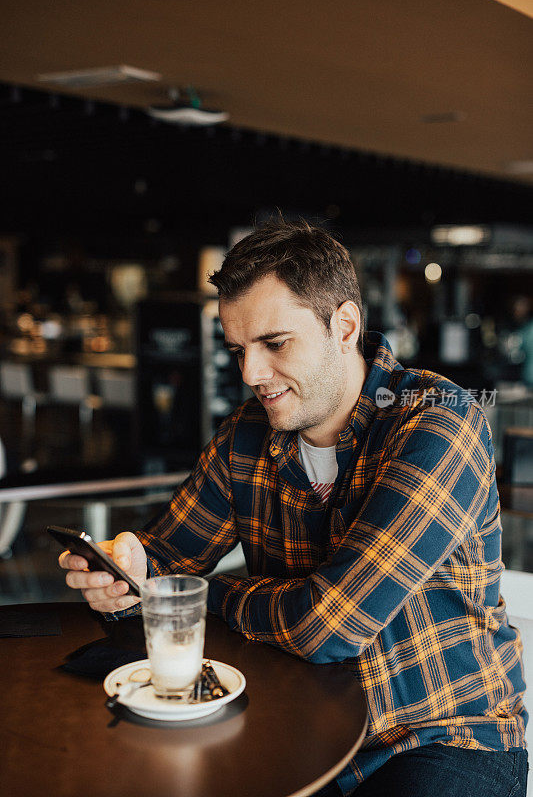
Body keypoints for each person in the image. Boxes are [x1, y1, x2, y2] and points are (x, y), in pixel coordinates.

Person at [60, 220, 528, 797]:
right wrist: (120, 579)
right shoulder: (244, 439)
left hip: (444, 738)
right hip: (299, 726)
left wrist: (200, 594)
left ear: (345, 326)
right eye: (238, 350)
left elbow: (327, 624)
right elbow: (156, 564)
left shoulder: (436, 422)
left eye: (275, 344)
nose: (251, 374)